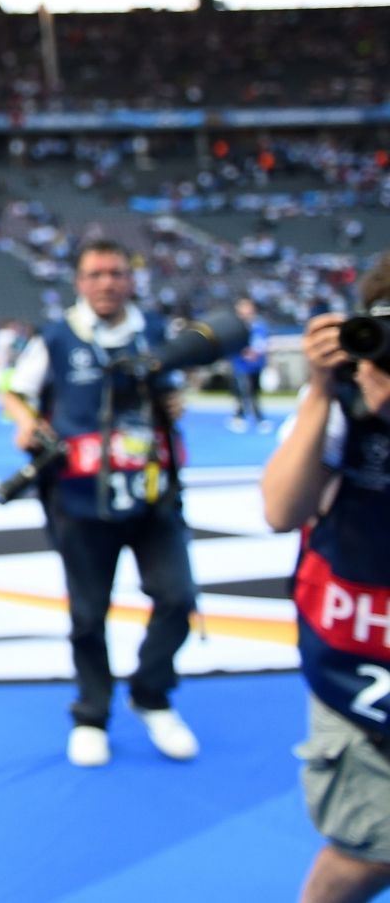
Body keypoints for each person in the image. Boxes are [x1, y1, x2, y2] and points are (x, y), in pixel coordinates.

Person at [2, 239, 198, 769]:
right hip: (79, 497)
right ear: (79, 282)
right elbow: (16, 391)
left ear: (130, 279)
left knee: (178, 598)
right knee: (88, 616)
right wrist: (27, 423)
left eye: (115, 272)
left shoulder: (156, 332)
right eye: (95, 274)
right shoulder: (57, 337)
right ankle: (92, 714)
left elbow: (174, 393)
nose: (107, 282)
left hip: (153, 493)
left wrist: (175, 403)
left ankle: (151, 693)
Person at [260, 260, 390, 903]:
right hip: (359, 671)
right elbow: (281, 509)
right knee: (371, 849)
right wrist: (319, 387)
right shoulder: (340, 405)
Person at [231, 296, 272, 433]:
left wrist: (255, 352)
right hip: (241, 364)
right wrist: (244, 351)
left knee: (254, 391)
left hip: (255, 364)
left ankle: (257, 417)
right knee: (243, 391)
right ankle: (240, 416)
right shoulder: (236, 325)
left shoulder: (258, 324)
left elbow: (263, 341)